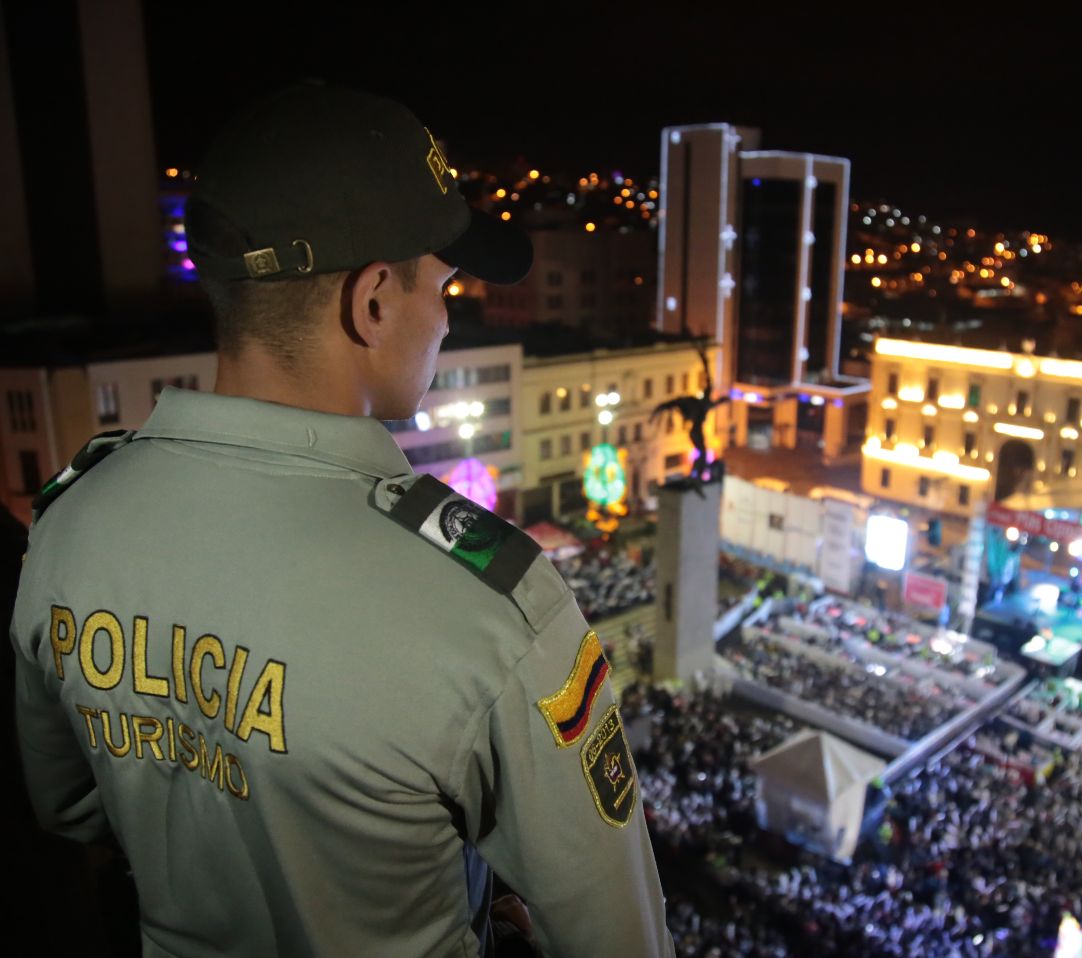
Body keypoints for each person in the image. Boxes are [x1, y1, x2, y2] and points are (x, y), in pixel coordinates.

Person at [10, 82, 674, 957]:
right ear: (371, 304)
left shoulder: (68, 525)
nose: (446, 317)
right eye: (445, 286)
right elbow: (616, 936)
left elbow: (70, 806)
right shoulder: (488, 605)